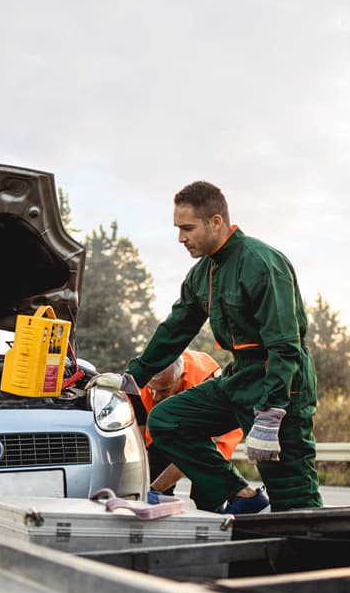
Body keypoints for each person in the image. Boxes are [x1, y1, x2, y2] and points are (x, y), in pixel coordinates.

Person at [124, 180, 322, 514]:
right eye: (178, 229)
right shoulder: (202, 274)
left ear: (216, 222)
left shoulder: (262, 263)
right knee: (168, 420)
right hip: (240, 378)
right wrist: (135, 374)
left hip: (280, 382)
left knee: (292, 495)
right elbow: (176, 328)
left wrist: (272, 411)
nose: (181, 238)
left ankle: (320, 557)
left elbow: (284, 345)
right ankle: (240, 495)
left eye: (188, 228)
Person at [140, 350, 243, 496]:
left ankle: (237, 503)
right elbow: (140, 440)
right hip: (166, 429)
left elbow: (194, 453)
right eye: (152, 389)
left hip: (216, 433)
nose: (156, 397)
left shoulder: (205, 380)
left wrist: (154, 489)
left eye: (164, 390)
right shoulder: (141, 380)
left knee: (206, 491)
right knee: (154, 471)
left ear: (181, 377)